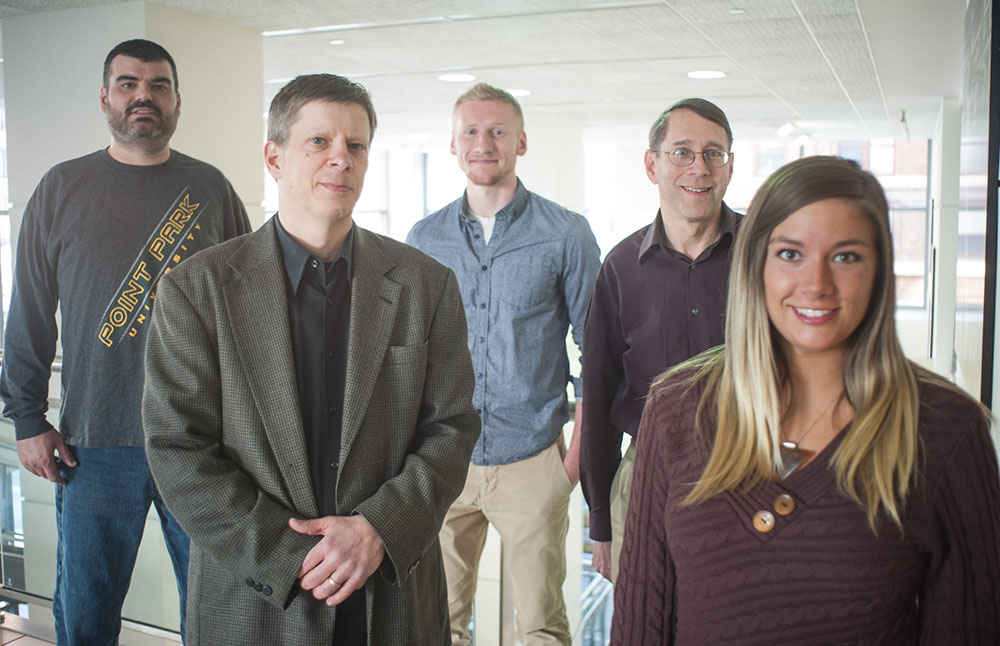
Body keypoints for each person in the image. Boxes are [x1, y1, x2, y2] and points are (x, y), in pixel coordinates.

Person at [142, 73, 480, 645]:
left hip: (387, 588)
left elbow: (452, 428)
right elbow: (178, 448)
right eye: (318, 142)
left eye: (355, 146)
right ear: (274, 158)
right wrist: (291, 555)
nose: (340, 160)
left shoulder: (428, 285)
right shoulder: (196, 289)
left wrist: (377, 528)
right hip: (256, 596)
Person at [611, 156, 1000, 645]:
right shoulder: (676, 408)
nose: (817, 284)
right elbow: (639, 624)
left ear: (879, 271)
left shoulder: (945, 431)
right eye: (791, 254)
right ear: (757, 265)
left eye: (845, 256)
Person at [0, 39, 250, 645]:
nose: (144, 95)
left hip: (200, 443)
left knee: (215, 614)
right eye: (129, 83)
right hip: (93, 445)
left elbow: (249, 313)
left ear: (177, 100)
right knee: (85, 616)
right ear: (106, 98)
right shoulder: (62, 187)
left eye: (158, 85)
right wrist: (27, 418)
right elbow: (30, 311)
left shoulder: (210, 189)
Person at [406, 82, 600, 645]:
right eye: (471, 131)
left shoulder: (565, 234)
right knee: (436, 623)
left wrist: (577, 458)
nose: (483, 143)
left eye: (497, 131)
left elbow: (597, 348)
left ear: (521, 141)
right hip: (444, 459)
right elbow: (410, 353)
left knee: (540, 625)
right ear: (453, 144)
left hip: (533, 460)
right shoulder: (425, 237)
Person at [580, 98, 739, 582]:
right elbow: (600, 391)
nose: (700, 167)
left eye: (715, 153)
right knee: (642, 624)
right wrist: (602, 522)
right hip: (647, 473)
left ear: (730, 167)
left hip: (746, 468)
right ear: (652, 165)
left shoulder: (767, 253)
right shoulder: (621, 266)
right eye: (682, 152)